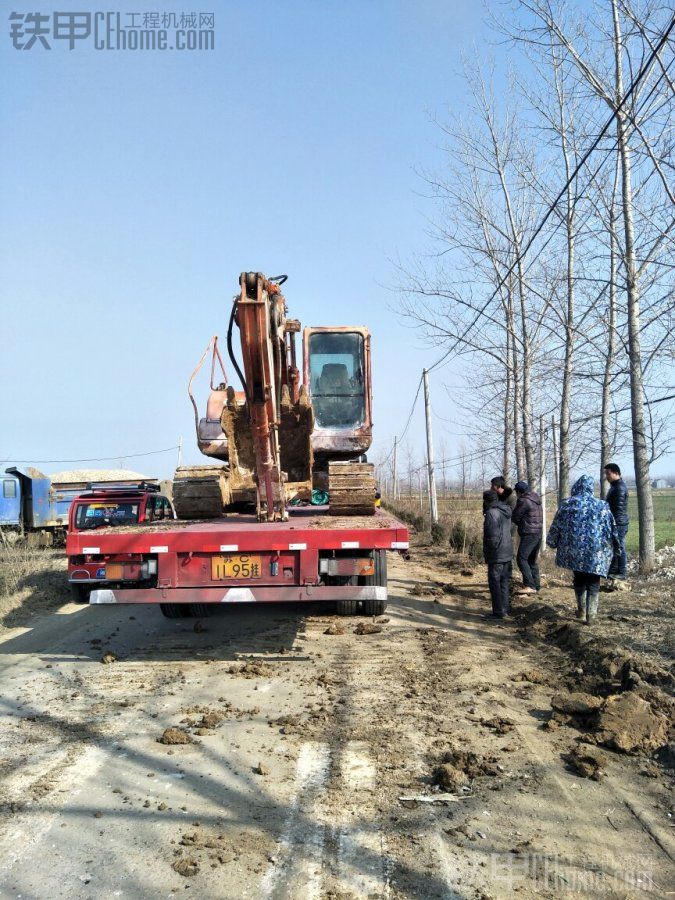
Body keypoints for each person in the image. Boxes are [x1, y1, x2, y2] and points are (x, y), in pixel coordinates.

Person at [546, 475, 619, 624]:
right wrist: (617, 546)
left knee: (579, 577)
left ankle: (581, 611)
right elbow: (612, 528)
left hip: (574, 552)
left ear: (576, 487)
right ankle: (591, 616)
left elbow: (556, 526)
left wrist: (551, 542)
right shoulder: (602, 506)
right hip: (596, 551)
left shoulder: (566, 504)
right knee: (593, 580)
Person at [482, 489, 513, 619]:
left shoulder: (491, 513)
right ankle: (505, 609)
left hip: (497, 552)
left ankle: (498, 612)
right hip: (507, 550)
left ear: (486, 500)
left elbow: (492, 536)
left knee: (494, 581)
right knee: (504, 581)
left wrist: (489, 553)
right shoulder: (505, 510)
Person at [512, 481, 543, 595]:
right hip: (538, 533)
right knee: (531, 560)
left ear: (519, 492)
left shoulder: (523, 500)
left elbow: (515, 517)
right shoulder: (536, 499)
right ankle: (536, 585)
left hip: (529, 533)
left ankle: (530, 585)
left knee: (521, 558)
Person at [604, 463, 629, 582]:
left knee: (620, 547)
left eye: (608, 474)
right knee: (615, 547)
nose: (607, 476)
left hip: (618, 523)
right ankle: (613, 571)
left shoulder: (619, 488)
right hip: (615, 522)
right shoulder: (615, 486)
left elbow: (617, 509)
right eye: (606, 474)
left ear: (616, 473)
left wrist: (612, 522)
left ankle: (622, 572)